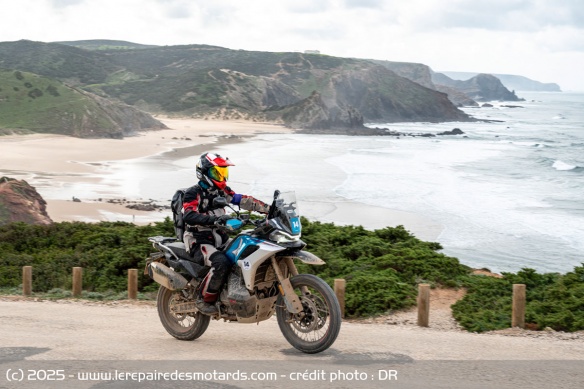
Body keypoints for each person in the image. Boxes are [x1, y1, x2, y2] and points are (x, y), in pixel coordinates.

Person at [182, 152, 269, 315]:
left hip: (220, 239)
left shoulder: (222, 192)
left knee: (245, 252)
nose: (221, 177)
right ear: (204, 172)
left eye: (223, 172)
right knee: (221, 262)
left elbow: (242, 200)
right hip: (199, 241)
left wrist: (269, 209)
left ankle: (234, 295)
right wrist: (214, 220)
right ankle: (204, 299)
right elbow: (188, 214)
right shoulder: (193, 193)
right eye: (217, 172)